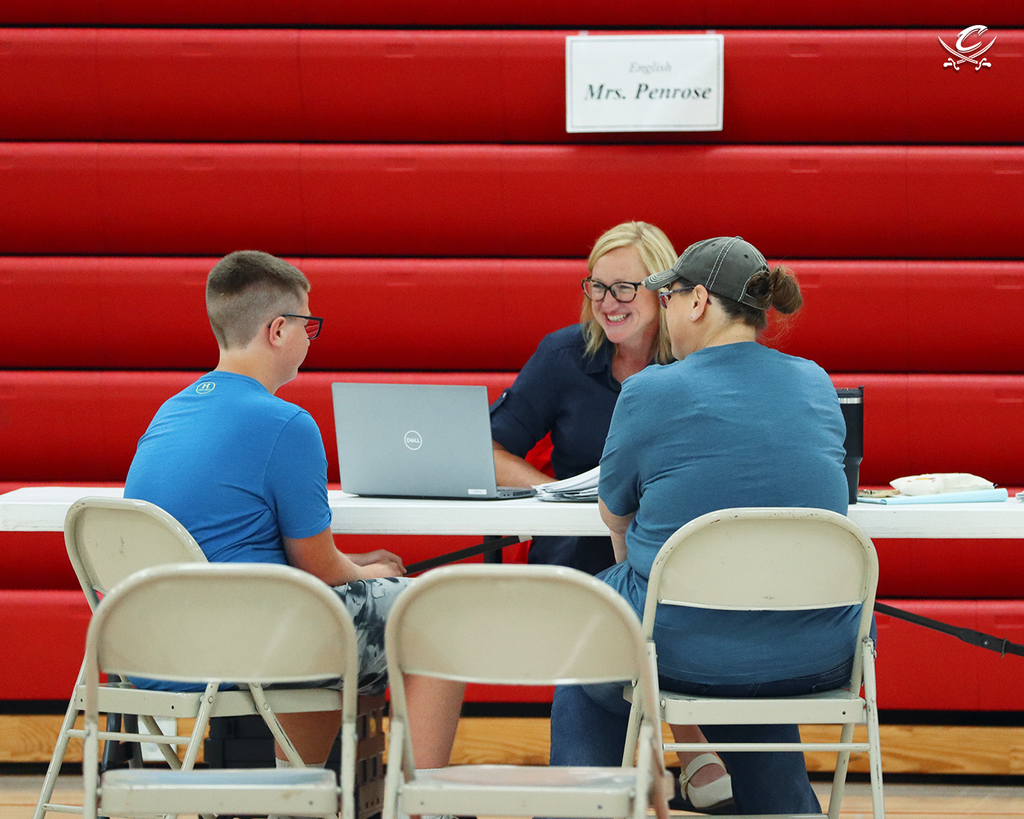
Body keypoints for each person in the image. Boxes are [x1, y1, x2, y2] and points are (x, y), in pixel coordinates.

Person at [124, 250, 464, 774]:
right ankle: (421, 807)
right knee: (437, 614)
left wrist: (354, 565)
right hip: (253, 641)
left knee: (347, 610)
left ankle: (300, 795)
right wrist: (371, 570)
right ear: (278, 330)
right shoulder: (286, 423)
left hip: (151, 647)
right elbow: (320, 569)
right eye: (309, 325)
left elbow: (246, 544)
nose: (311, 336)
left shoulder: (170, 411)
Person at [548, 237, 854, 815]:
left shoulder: (649, 391)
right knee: (746, 641)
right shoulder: (817, 383)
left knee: (594, 630)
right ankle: (786, 806)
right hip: (817, 647)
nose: (662, 309)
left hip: (686, 648)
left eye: (669, 297)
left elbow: (614, 512)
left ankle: (574, 809)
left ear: (697, 302)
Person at [490, 220, 677, 574]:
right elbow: (488, 449)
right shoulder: (563, 354)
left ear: (661, 290)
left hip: (666, 551)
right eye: (598, 287)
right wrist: (560, 497)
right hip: (573, 556)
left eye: (623, 288)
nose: (608, 303)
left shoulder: (691, 360)